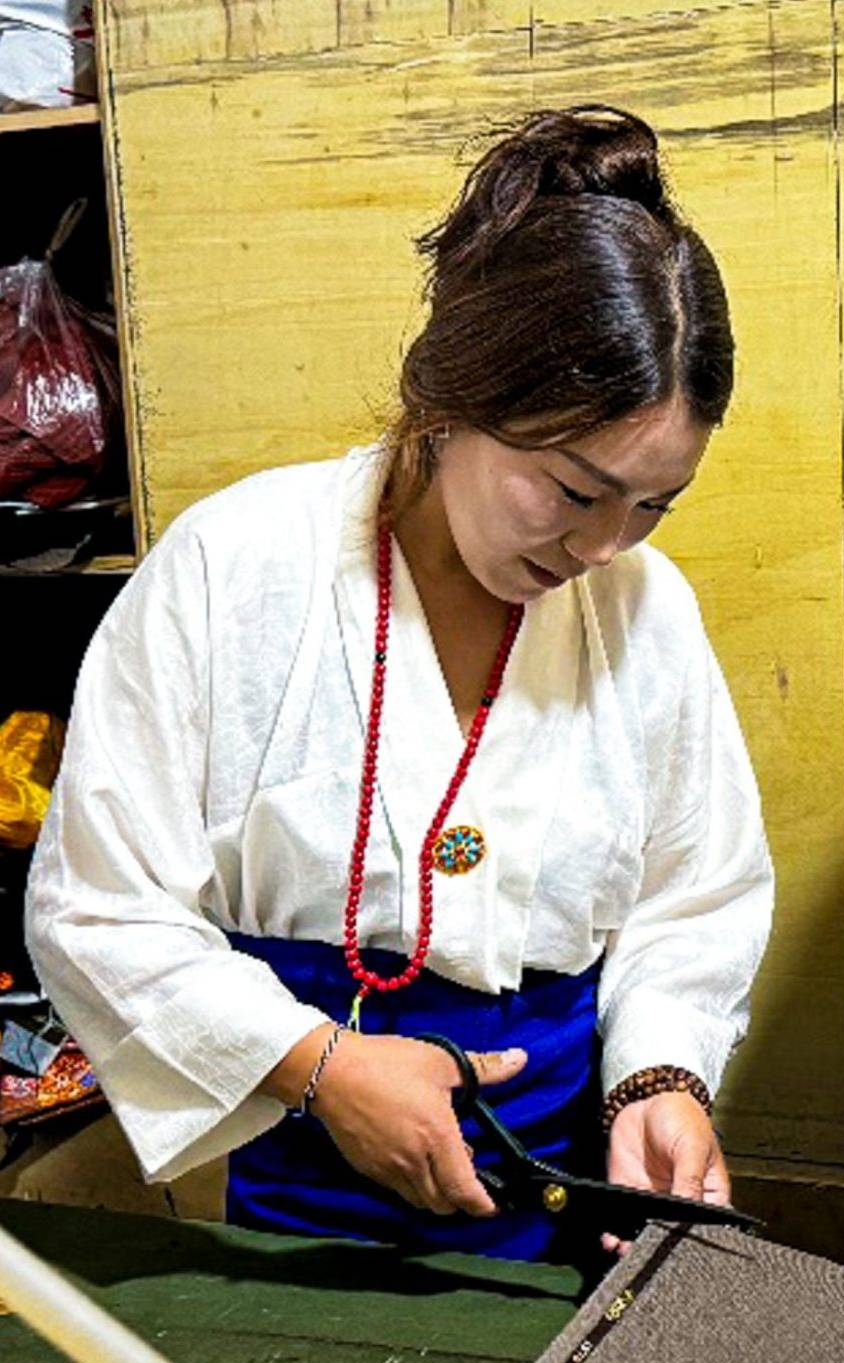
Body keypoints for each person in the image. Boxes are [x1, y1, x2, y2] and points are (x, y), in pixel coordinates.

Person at [24, 105, 773, 1264]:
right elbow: (98, 905)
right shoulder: (235, 570)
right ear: (450, 399)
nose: (603, 547)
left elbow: (696, 893)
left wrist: (659, 1080)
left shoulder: (644, 609)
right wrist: (320, 1066)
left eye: (653, 505)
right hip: (303, 1167)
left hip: (568, 1169)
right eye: (573, 491)